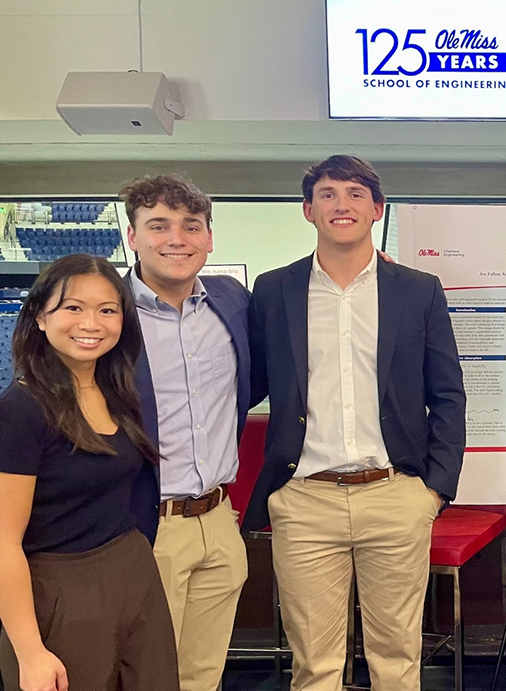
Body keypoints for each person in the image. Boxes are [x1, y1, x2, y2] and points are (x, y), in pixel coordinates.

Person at [244, 155, 467, 690]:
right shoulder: (274, 291)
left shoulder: (417, 289)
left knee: (396, 660)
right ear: (308, 210)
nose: (340, 203)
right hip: (304, 499)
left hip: (394, 496)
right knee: (314, 665)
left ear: (376, 209)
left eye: (354, 193)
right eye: (327, 193)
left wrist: (433, 490)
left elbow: (448, 395)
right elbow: (246, 385)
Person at [0, 254, 179, 691]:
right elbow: (3, 541)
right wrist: (30, 652)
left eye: (107, 310)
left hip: (133, 572)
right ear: (40, 316)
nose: (91, 323)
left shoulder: (116, 388)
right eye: (73, 308)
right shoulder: (22, 410)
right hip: (60, 588)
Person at [120, 174, 254, 691]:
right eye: (158, 225)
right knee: (144, 674)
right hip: (145, 526)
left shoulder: (231, 301)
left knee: (202, 675)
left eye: (190, 225)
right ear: (132, 236)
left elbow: (261, 374)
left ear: (209, 238)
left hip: (219, 520)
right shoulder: (106, 313)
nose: (176, 238)